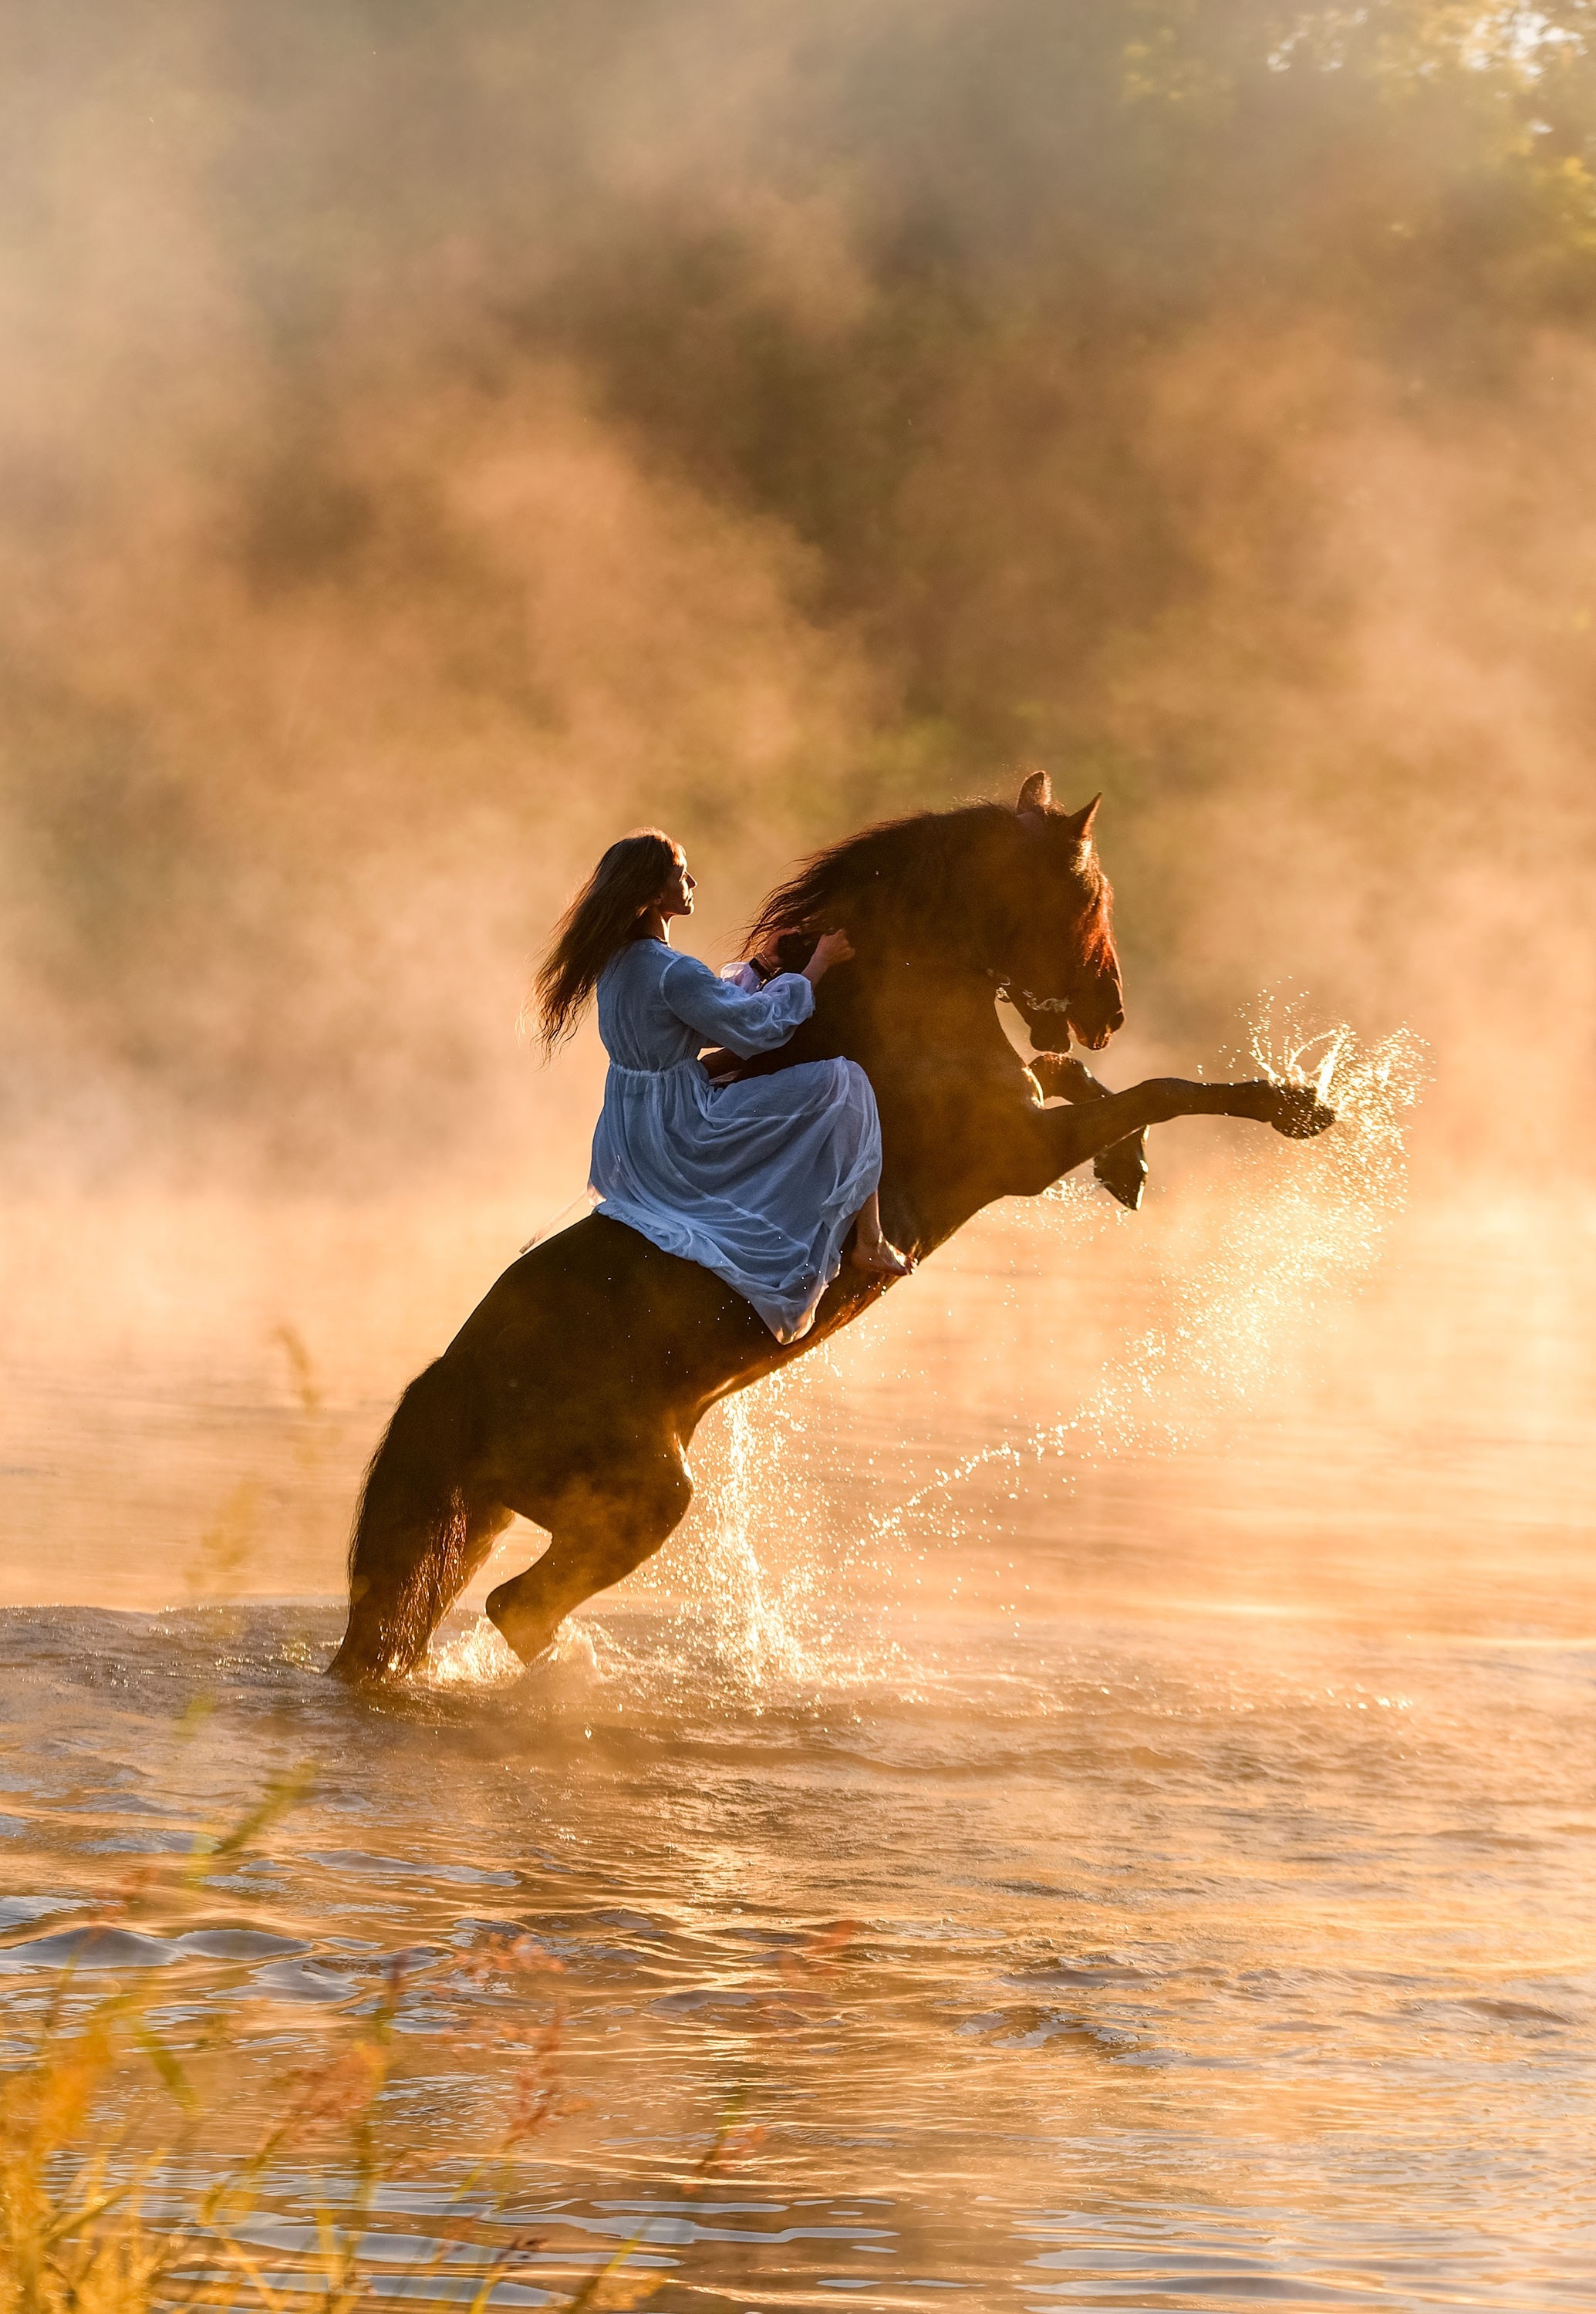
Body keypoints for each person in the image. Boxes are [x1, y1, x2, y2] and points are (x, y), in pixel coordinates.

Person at [533, 828, 912, 1344]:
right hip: (679, 1128)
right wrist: (818, 963)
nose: (691, 881)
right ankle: (870, 1240)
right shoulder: (669, 969)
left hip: (629, 1130)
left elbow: (705, 1017)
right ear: (654, 893)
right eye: (680, 873)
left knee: (766, 1078)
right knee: (848, 1083)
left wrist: (761, 965)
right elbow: (758, 1028)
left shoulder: (617, 962)